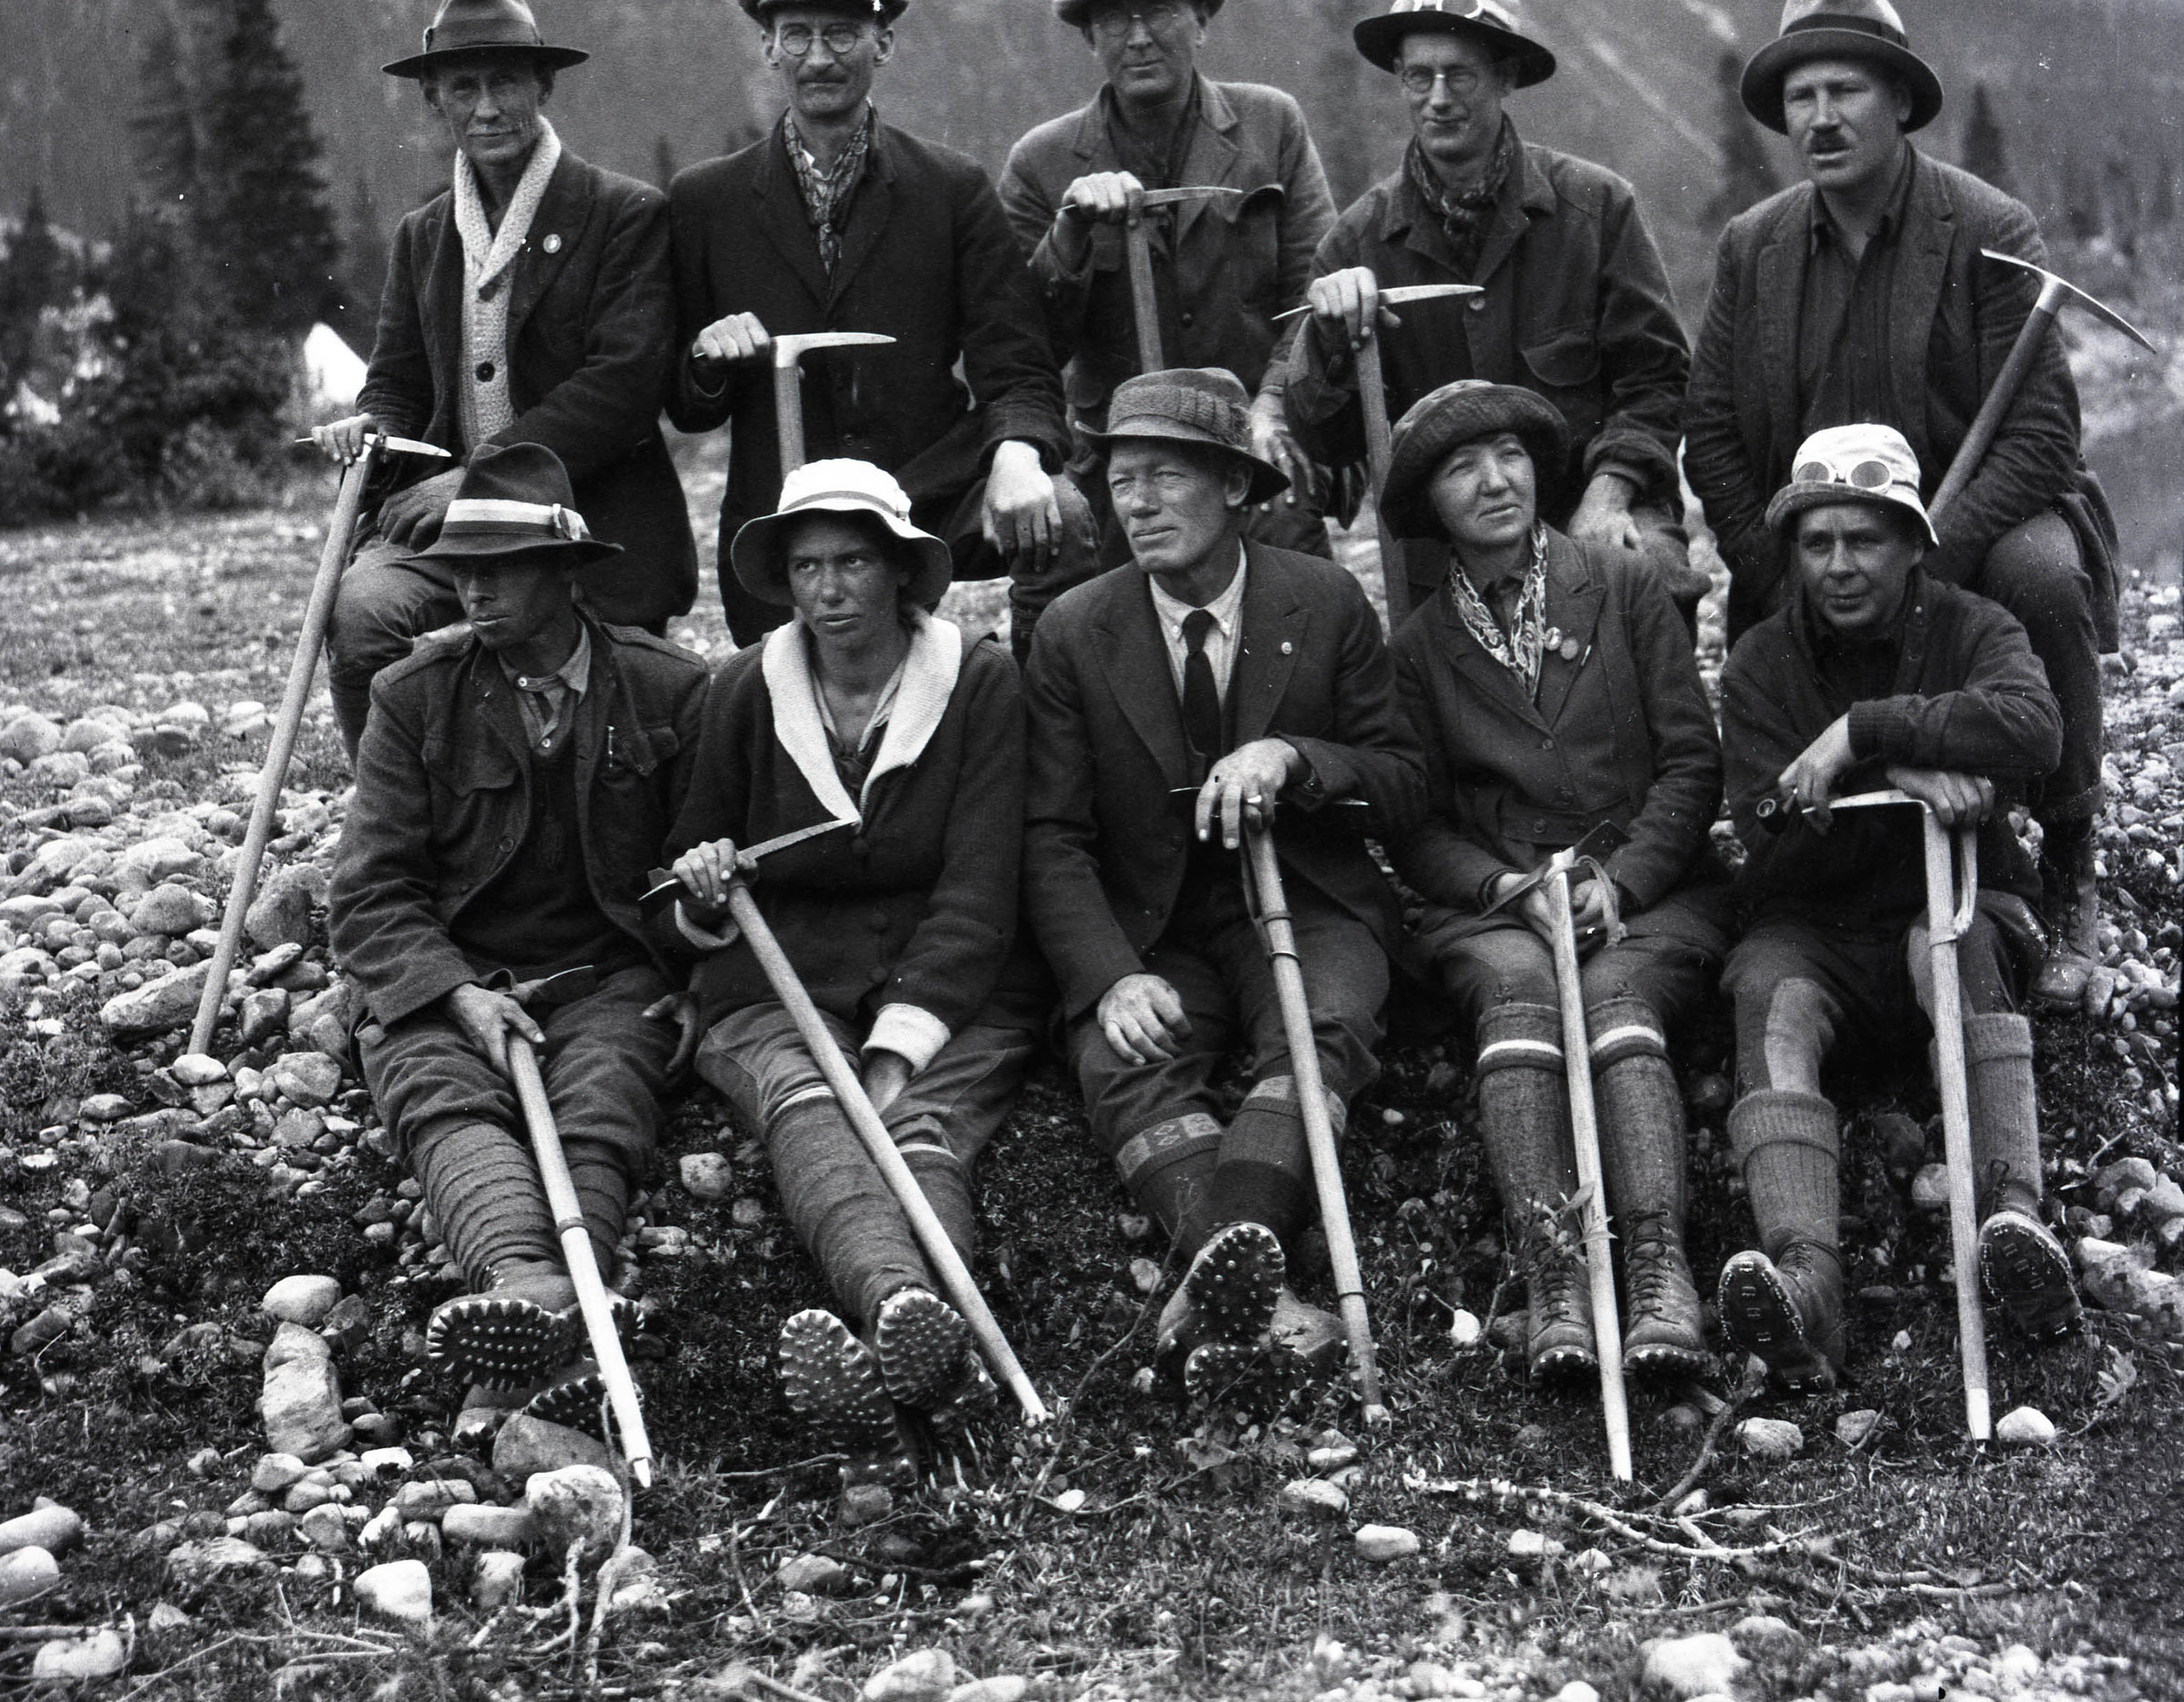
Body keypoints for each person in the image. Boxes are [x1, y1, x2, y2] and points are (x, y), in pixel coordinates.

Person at [1685, 0, 2121, 1003]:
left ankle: (2066, 857)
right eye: (1801, 97)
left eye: (1845, 91)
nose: (1821, 118)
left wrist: (1935, 552)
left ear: (1897, 100)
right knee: (1761, 641)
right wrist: (1765, 554)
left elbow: (2044, 434)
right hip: (1813, 536)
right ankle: (1820, 868)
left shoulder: (1988, 230)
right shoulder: (1752, 249)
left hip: (1973, 527)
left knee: (2045, 579)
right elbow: (1708, 427)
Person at [1022, 368, 1423, 1401]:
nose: (1139, 504)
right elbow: (1052, 836)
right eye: (1120, 481)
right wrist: (1110, 976)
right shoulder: (1075, 627)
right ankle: (1258, 1291)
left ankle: (1210, 1272)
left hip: (1302, 895)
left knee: (1320, 1023)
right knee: (1123, 1055)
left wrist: (1294, 756)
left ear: (1235, 489)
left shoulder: (1322, 599)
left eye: (1164, 476)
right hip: (1150, 927)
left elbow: (1402, 784)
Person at [659, 461, 1037, 1458]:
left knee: (918, 1117)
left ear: (901, 573)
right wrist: (699, 883)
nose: (828, 591)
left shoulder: (981, 683)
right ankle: (901, 1309)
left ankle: (933, 1346)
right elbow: (682, 867)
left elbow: (980, 887)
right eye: (806, 567)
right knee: (809, 1103)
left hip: (950, 975)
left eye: (854, 563)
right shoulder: (741, 689)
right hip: (779, 978)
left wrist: (901, 1042)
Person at [328, 444, 708, 1426]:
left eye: (498, 568)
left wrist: (695, 972)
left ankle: (575, 1295)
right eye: (461, 569)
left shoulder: (670, 688)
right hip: (455, 971)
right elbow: (371, 889)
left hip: (604, 972)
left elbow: (700, 869)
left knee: (610, 1081)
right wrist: (458, 994)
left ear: (565, 574)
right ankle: (529, 1282)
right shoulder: (414, 695)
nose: (473, 589)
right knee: (433, 1082)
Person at [1714, 424, 2082, 1388]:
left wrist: (1863, 731)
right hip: (1819, 925)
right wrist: (1907, 766)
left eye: (1863, 540)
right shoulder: (1759, 661)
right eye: (1815, 542)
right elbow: (1767, 820)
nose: (1837, 566)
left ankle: (2012, 1223)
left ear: (1913, 542)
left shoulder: (1972, 628)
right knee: (1767, 993)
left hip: (1953, 899)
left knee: (1947, 946)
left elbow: (2035, 730)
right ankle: (1807, 1284)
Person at [1383, 382, 1729, 1381]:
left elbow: (1690, 765)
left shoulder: (1620, 588)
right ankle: (1556, 1283)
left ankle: (1660, 1276)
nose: (1493, 482)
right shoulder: (1414, 650)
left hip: (1647, 889)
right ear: (1429, 505)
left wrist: (1618, 882)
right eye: (1459, 468)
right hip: (1494, 908)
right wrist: (1505, 889)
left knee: (1618, 992)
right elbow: (1416, 827)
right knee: (1519, 993)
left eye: (1508, 456)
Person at [313, 0, 696, 759]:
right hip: (457, 532)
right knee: (361, 614)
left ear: (544, 85)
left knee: (606, 740)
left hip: (589, 524)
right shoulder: (422, 235)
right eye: (463, 87)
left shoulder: (622, 213)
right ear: (434, 101)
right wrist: (372, 428)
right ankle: (398, 814)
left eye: (506, 83)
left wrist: (481, 473)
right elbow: (395, 381)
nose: (487, 107)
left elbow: (623, 387)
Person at [668, 0, 1085, 649]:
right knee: (789, 705)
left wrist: (1017, 451)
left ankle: (1045, 725)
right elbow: (685, 401)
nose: (819, 56)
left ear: (882, 43)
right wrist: (709, 358)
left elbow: (1015, 358)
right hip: (783, 506)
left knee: (1061, 519)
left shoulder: (952, 188)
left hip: (929, 488)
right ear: (768, 47)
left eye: (842, 33)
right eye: (797, 33)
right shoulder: (705, 200)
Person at [1280, 0, 1696, 611]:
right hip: (1441, 544)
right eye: (1419, 76)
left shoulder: (1597, 208)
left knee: (1646, 574)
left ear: (1506, 78)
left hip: (1585, 507)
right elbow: (1325, 441)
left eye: (1460, 75)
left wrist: (1612, 490)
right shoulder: (1356, 241)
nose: (1438, 98)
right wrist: (1327, 336)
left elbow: (1658, 378)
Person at [999, 0, 1340, 581]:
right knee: (1072, 632)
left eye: (1159, 12)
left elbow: (1313, 290)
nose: (1139, 37)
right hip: (1114, 469)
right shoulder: (1041, 161)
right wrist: (1068, 237)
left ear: (1202, 22)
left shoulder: (1270, 125)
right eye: (1114, 20)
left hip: (1246, 450)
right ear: (1090, 39)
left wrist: (1272, 408)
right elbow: (1018, 342)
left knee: (1302, 623)